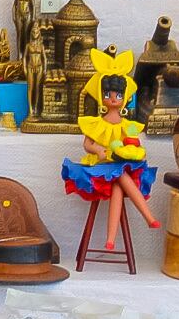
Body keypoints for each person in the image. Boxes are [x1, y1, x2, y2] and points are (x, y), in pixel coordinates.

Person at [61, 48, 161, 248]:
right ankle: (148, 216)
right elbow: (87, 144)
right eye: (108, 94)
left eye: (118, 95)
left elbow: (132, 142)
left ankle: (111, 239)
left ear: (124, 98)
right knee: (120, 176)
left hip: (119, 166)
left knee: (118, 184)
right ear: (101, 96)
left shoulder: (125, 125)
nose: (114, 99)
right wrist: (98, 150)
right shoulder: (97, 123)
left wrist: (132, 149)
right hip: (101, 166)